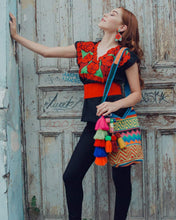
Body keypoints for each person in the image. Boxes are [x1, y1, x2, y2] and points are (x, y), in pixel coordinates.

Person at [9, 6, 144, 220]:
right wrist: (16, 36)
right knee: (71, 176)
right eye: (108, 11)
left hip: (119, 123)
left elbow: (136, 94)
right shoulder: (85, 48)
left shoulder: (125, 55)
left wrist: (114, 105)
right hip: (94, 125)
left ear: (122, 27)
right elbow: (46, 51)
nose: (106, 14)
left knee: (121, 181)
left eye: (113, 14)